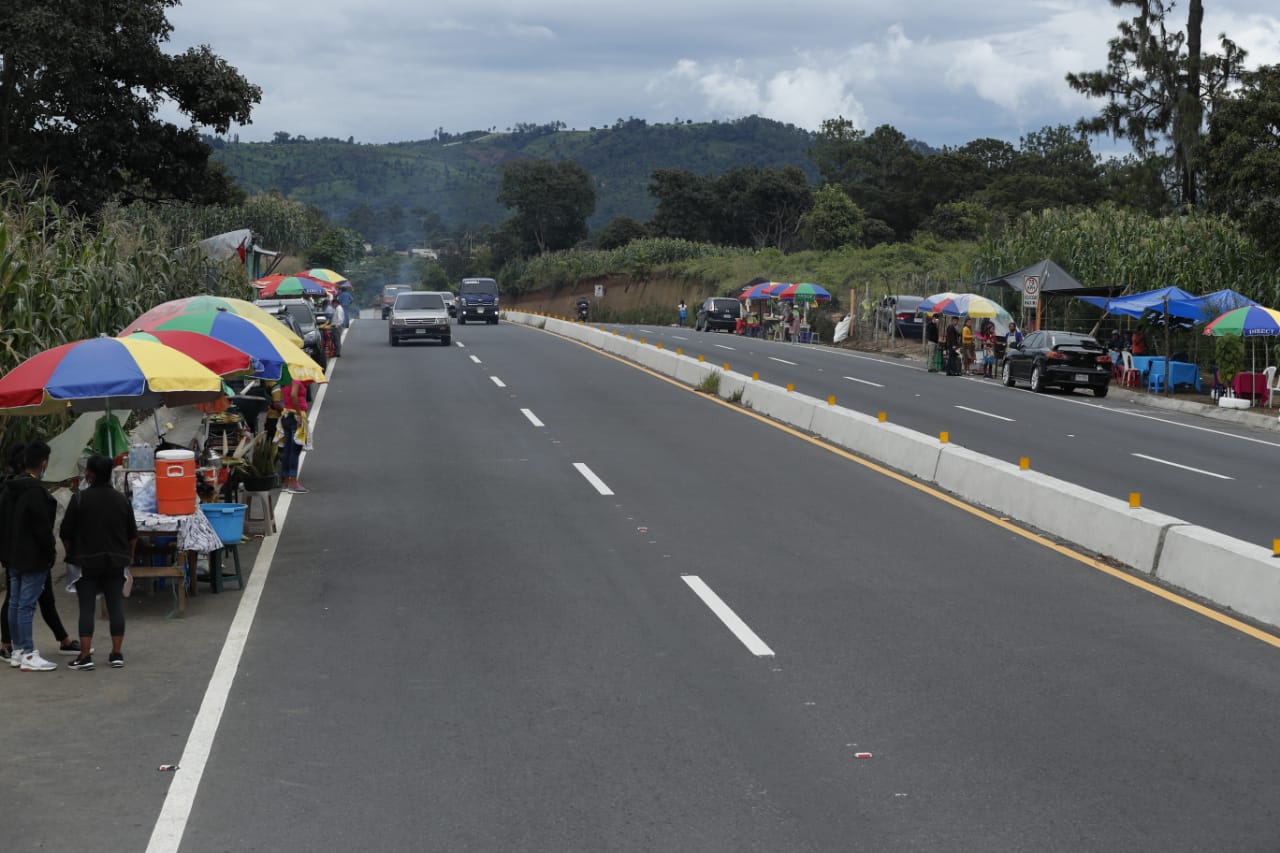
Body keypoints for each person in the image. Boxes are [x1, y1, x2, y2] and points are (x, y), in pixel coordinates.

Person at [0, 445, 79, 662]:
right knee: (25, 605)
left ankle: (16, 650)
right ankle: (26, 652)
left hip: (13, 555)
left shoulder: (10, 488)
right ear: (43, 463)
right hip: (32, 557)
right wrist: (50, 553)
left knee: (17, 602)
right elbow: (42, 530)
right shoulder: (35, 492)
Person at [60, 454, 136, 670]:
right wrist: (128, 557)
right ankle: (116, 654)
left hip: (86, 562)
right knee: (115, 605)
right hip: (115, 560)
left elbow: (65, 532)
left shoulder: (80, 498)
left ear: (89, 473)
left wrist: (72, 553)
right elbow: (132, 534)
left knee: (86, 608)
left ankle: (84, 656)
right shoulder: (121, 500)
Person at [278, 378, 310, 494]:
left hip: (286, 415)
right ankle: (293, 482)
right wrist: (298, 413)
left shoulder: (285, 381)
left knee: (287, 449)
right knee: (295, 450)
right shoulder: (295, 380)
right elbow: (293, 395)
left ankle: (286, 481)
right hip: (295, 416)